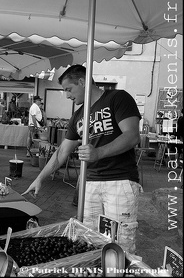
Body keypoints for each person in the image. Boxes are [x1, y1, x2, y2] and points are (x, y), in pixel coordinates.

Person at [22, 65, 142, 254]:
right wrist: (40, 178)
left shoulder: (117, 98)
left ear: (82, 82)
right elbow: (62, 151)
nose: (67, 96)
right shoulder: (78, 116)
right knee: (89, 240)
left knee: (120, 244)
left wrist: (98, 153)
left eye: (69, 90)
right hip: (90, 183)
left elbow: (133, 136)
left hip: (119, 181)